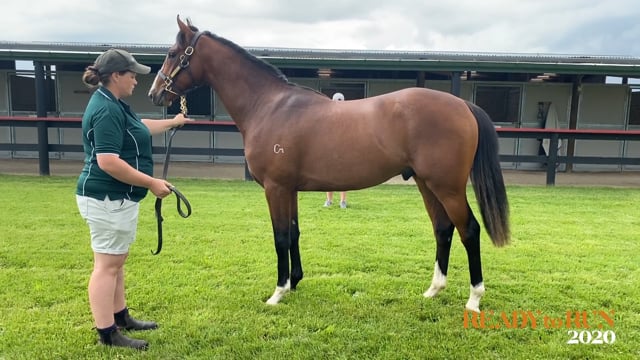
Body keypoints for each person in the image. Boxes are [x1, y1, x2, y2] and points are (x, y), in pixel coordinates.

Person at [75, 48, 191, 350]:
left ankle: (120, 316)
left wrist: (173, 122)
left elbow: (140, 128)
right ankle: (108, 332)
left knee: (116, 262)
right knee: (107, 265)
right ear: (116, 76)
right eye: (132, 75)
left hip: (116, 198)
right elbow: (108, 161)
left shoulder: (114, 104)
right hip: (106, 197)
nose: (137, 81)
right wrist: (152, 183)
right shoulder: (106, 110)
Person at [324, 92, 348, 209]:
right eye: (336, 100)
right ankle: (329, 200)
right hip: (330, 150)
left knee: (343, 177)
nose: (338, 102)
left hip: (343, 150)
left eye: (340, 100)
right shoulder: (328, 115)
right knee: (328, 176)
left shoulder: (347, 115)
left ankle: (343, 201)